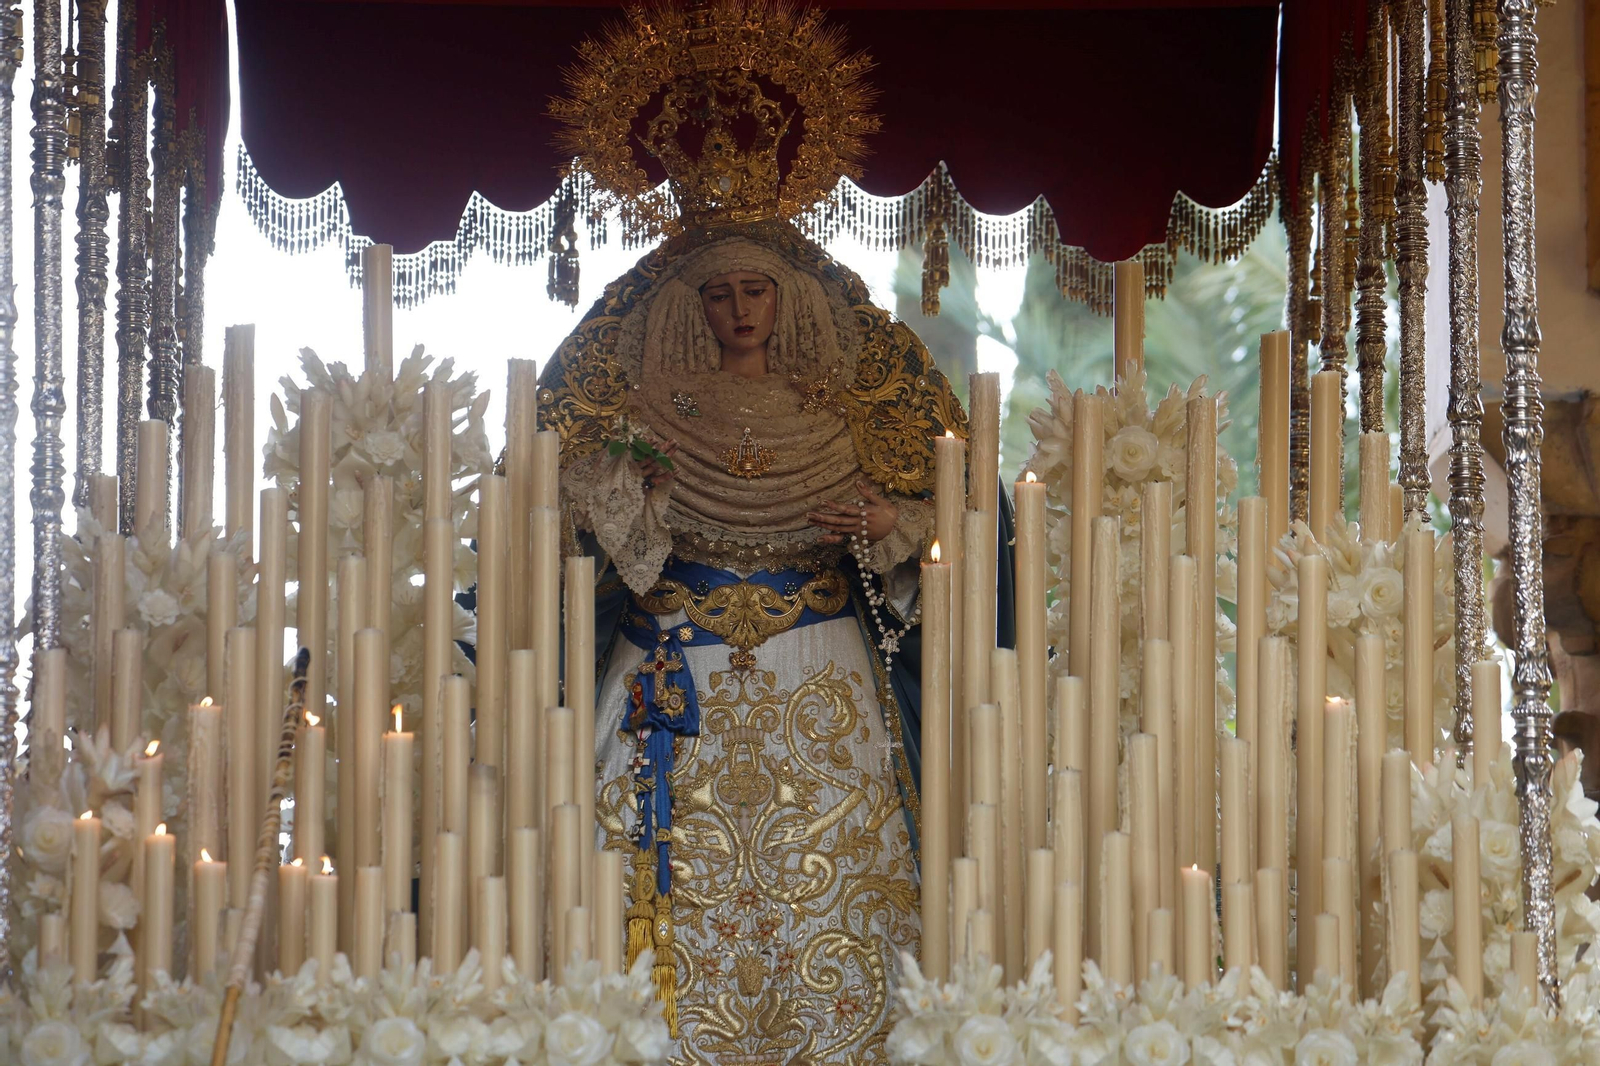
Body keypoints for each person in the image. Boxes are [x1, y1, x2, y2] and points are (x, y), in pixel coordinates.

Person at [546, 224, 962, 1064]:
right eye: (719, 293)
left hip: (818, 661)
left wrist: (891, 525)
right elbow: (576, 525)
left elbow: (942, 519)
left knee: (835, 864)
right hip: (672, 660)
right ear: (691, 307)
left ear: (787, 300)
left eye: (756, 290)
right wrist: (642, 494)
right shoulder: (652, 411)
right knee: (652, 866)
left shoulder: (838, 415)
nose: (740, 310)